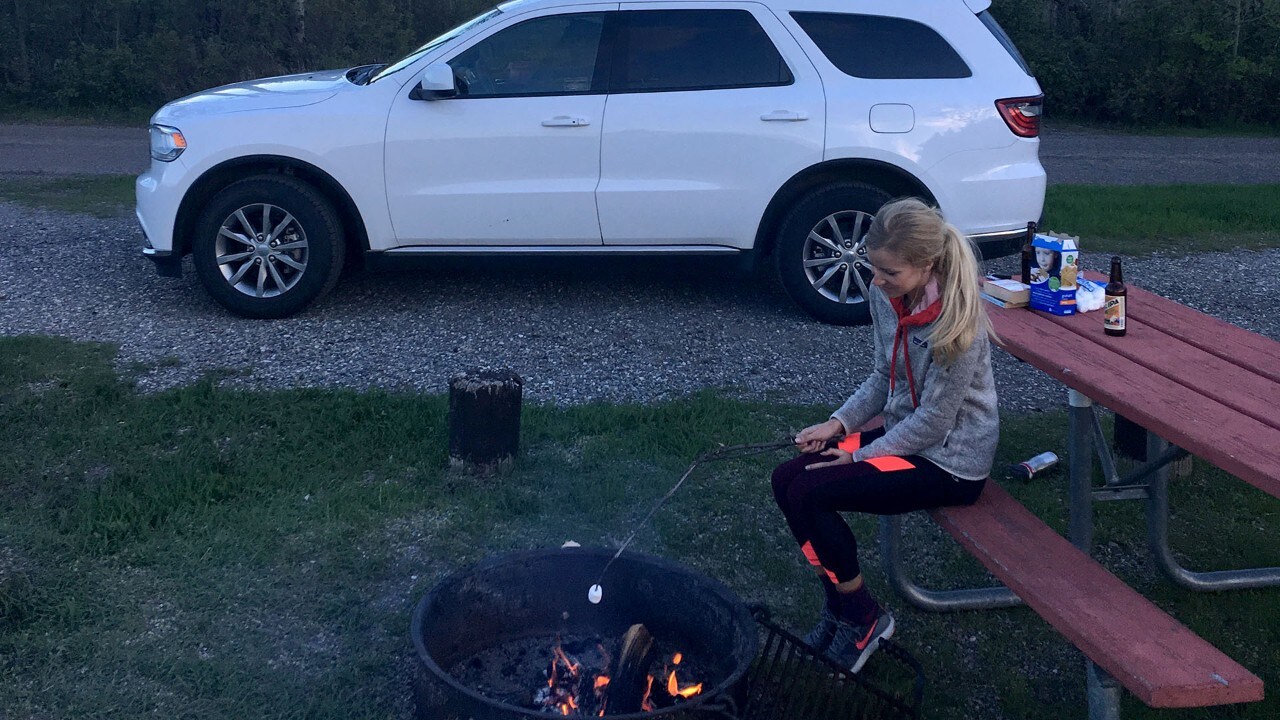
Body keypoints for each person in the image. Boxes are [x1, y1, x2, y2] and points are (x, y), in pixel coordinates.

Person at [771, 197, 999, 673]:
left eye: (888, 273)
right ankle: (842, 604)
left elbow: (936, 423)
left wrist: (858, 457)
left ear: (927, 265)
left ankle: (864, 618)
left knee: (813, 492)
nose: (875, 281)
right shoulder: (886, 295)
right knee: (786, 479)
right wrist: (838, 426)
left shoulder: (960, 323)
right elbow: (883, 377)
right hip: (903, 437)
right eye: (874, 268)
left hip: (949, 463)